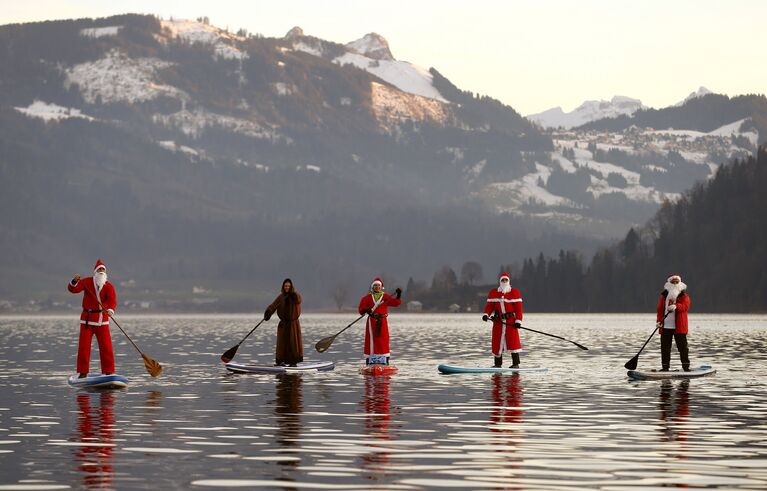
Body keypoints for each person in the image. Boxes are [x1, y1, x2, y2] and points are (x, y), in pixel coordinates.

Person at [68, 259, 117, 377]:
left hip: (102, 320)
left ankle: (108, 371)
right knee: (84, 347)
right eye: (99, 269)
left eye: (103, 270)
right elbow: (73, 289)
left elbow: (112, 300)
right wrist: (74, 281)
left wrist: (110, 310)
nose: (101, 271)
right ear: (95, 271)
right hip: (87, 320)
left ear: (105, 272)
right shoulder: (86, 282)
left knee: (106, 347)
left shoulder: (109, 286)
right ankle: (83, 373)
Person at [482, 272, 524, 368]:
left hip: (511, 322)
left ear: (508, 281)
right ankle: (497, 364)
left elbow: (518, 309)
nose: (504, 281)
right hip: (498, 322)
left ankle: (516, 364)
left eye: (506, 280)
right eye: (502, 280)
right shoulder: (494, 293)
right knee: (497, 342)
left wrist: (518, 321)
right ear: (500, 281)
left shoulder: (514, 292)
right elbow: (489, 306)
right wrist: (486, 314)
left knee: (513, 342)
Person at [358, 278, 402, 365]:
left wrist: (399, 294)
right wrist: (366, 310)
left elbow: (396, 303)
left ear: (381, 287)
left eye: (378, 285)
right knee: (372, 340)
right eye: (375, 285)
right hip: (372, 322)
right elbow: (361, 309)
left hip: (382, 322)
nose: (377, 287)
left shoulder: (386, 297)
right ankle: (370, 360)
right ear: (372, 287)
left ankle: (385, 359)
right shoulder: (366, 298)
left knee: (383, 339)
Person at [656, 273, 691, 371]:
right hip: (665, 325)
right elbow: (659, 309)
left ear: (680, 283)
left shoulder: (684, 296)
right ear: (669, 283)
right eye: (673, 282)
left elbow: (685, 307)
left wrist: (677, 306)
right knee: (665, 349)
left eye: (677, 282)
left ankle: (686, 367)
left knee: (683, 348)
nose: (675, 284)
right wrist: (659, 321)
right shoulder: (663, 296)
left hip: (679, 326)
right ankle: (665, 368)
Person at [264, 278, 303, 366]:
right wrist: (268, 312)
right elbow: (273, 306)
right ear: (283, 287)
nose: (287, 288)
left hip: (293, 325)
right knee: (281, 344)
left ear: (291, 287)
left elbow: (299, 300)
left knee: (292, 344)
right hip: (283, 325)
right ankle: (281, 362)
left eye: (289, 286)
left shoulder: (295, 296)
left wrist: (293, 294)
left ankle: (293, 362)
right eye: (285, 286)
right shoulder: (281, 297)